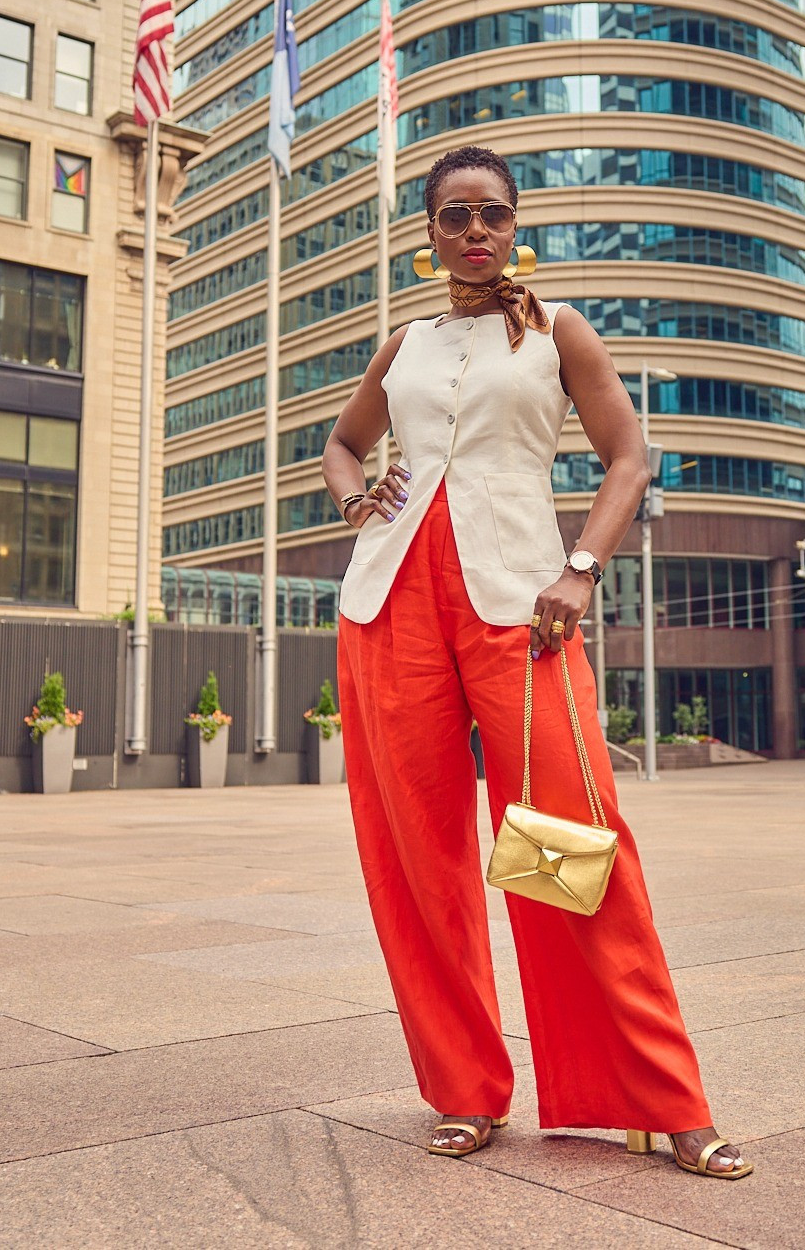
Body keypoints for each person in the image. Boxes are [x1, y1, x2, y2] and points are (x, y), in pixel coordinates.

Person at [320, 144, 751, 1179]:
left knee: (571, 839)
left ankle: (662, 1099)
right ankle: (465, 1090)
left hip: (524, 606)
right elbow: (341, 444)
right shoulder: (405, 342)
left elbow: (628, 456)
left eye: (494, 214)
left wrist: (583, 568)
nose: (476, 230)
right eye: (455, 214)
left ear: (517, 227)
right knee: (418, 861)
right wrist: (353, 496)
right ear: (429, 233)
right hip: (389, 608)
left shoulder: (557, 328)